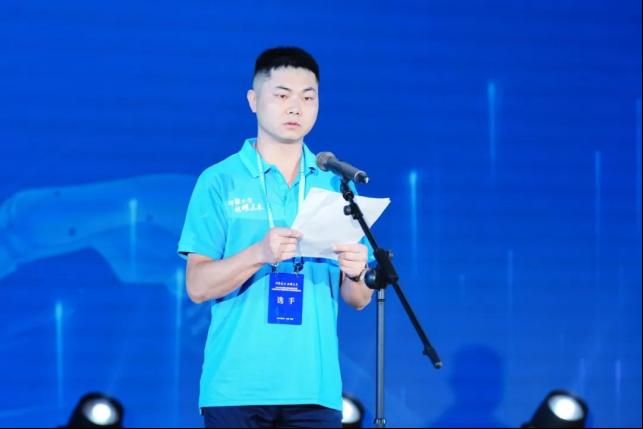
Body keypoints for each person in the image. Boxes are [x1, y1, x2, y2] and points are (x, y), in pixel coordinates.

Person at [178, 46, 374, 428]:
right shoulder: (219, 181)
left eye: (308, 97)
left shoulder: (336, 185)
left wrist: (355, 272)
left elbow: (359, 299)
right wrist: (257, 253)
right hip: (236, 389)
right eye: (282, 96)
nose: (295, 108)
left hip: (314, 389)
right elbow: (198, 286)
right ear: (253, 101)